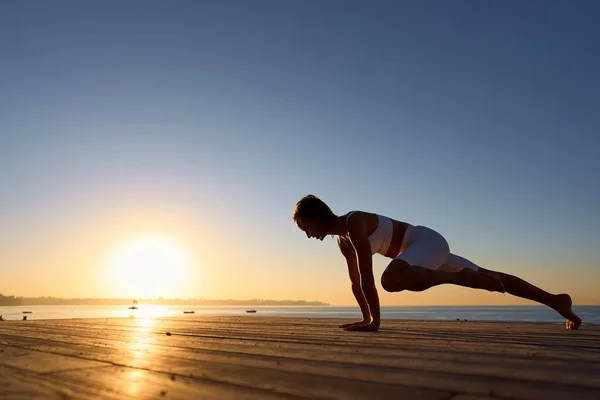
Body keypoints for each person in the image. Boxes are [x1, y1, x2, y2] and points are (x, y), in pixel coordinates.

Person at [292, 194, 582, 331]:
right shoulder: (343, 242)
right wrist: (365, 317)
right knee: (493, 278)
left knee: (390, 279)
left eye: (306, 227)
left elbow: (368, 277)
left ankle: (462, 278)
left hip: (425, 242)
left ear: (317, 216)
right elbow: (355, 283)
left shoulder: (354, 222)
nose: (308, 235)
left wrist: (375, 322)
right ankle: (557, 301)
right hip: (420, 257)